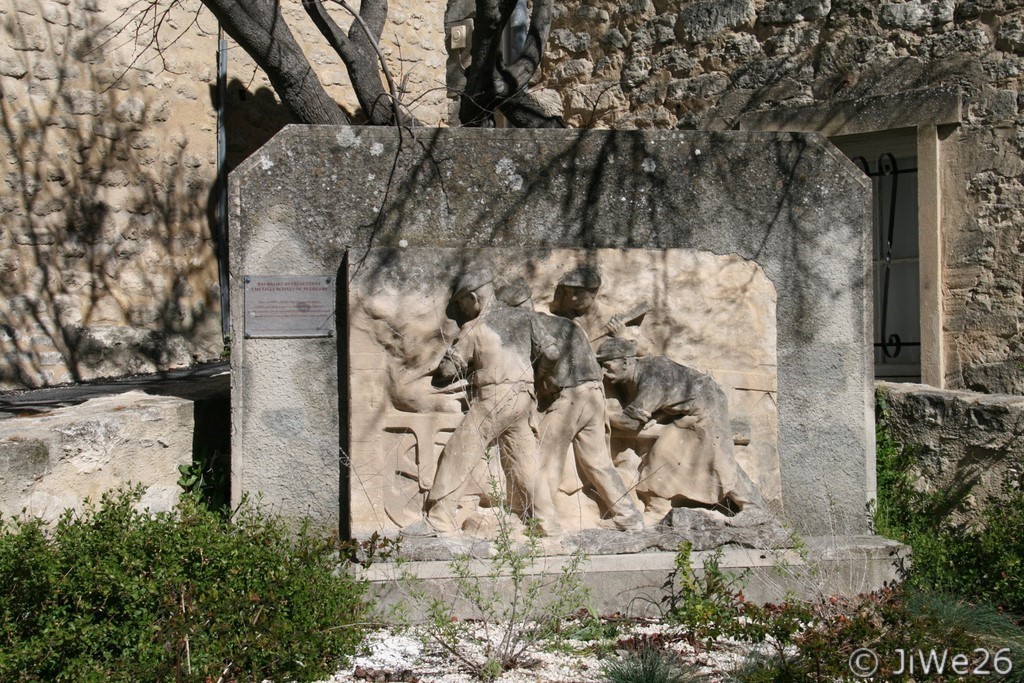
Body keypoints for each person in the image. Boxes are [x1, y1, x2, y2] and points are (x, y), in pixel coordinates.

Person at [402, 268, 562, 537]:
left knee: (459, 450)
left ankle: (439, 518)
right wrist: (539, 375)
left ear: (474, 298)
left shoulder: (475, 327)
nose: (463, 310)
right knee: (526, 462)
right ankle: (548, 523)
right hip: (524, 400)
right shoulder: (526, 318)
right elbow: (552, 353)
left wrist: (447, 357)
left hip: (494, 399)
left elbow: (448, 370)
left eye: (463, 303)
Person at [498, 277, 644, 531]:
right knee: (597, 462)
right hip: (594, 395)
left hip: (572, 396)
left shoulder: (532, 326)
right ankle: (628, 516)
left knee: (544, 455)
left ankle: (538, 518)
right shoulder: (564, 323)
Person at [596, 337, 764, 519]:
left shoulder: (652, 378)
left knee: (707, 455)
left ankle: (752, 506)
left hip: (706, 405)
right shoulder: (644, 370)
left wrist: (598, 412)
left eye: (608, 366)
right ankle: (658, 509)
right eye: (602, 367)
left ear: (625, 362)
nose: (604, 372)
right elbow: (669, 395)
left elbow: (630, 423)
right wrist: (656, 416)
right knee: (711, 455)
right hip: (686, 409)